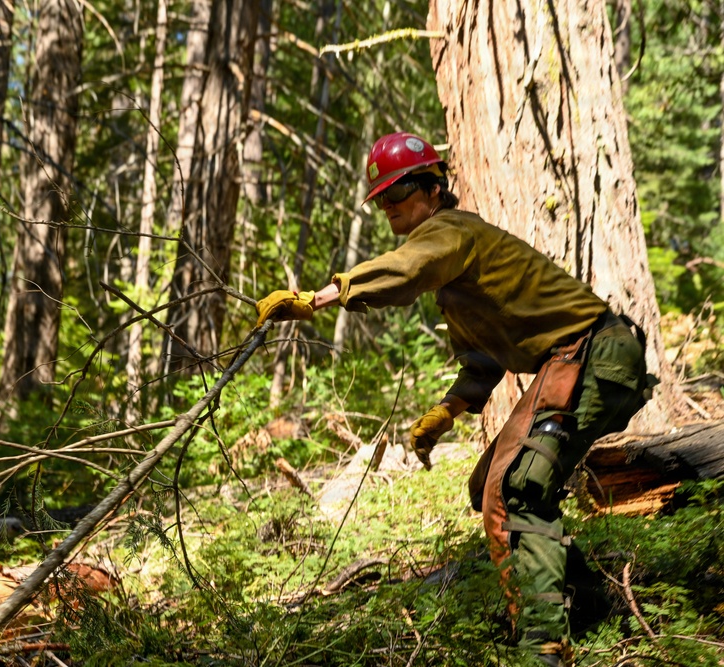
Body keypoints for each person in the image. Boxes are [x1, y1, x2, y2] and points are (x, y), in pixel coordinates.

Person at [255, 132, 653, 666]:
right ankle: (587, 605)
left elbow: (406, 269)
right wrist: (445, 415)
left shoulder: (451, 232)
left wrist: (320, 297)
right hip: (574, 360)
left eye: (398, 195)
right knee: (486, 488)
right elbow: (483, 362)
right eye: (383, 202)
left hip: (592, 354)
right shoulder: (455, 273)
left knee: (517, 489)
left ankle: (544, 645)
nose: (390, 209)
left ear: (431, 187)